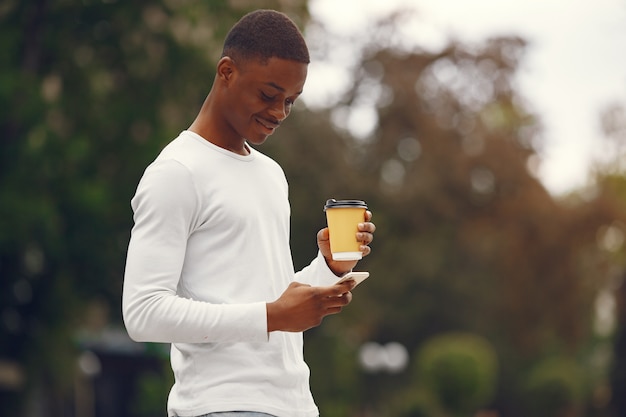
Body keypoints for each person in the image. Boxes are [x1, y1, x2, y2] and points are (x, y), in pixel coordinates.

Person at [122, 9, 376, 417]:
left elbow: (266, 302)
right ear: (226, 72)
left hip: (293, 405)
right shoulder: (177, 173)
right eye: (268, 94)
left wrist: (328, 268)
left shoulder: (271, 174)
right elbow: (143, 312)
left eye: (290, 101)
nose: (279, 112)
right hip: (223, 405)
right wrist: (271, 316)